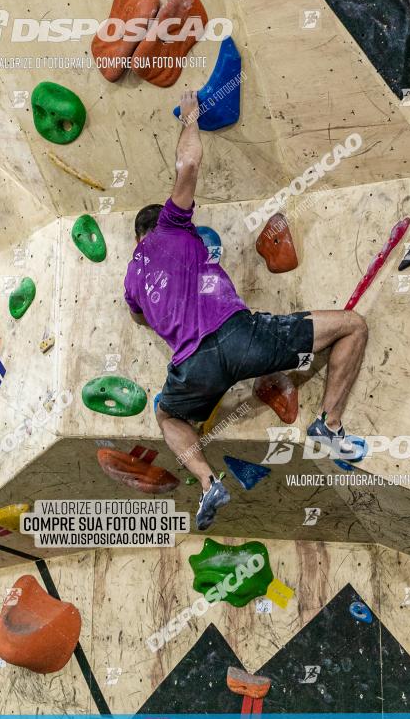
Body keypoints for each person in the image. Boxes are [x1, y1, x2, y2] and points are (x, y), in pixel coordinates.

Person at [124, 91, 368, 530]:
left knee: (166, 414)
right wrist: (192, 118)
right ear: (157, 221)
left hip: (193, 368)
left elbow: (137, 317)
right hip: (241, 335)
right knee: (352, 326)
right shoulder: (170, 226)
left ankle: (207, 483)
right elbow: (189, 165)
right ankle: (328, 426)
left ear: (134, 240)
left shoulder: (131, 279)